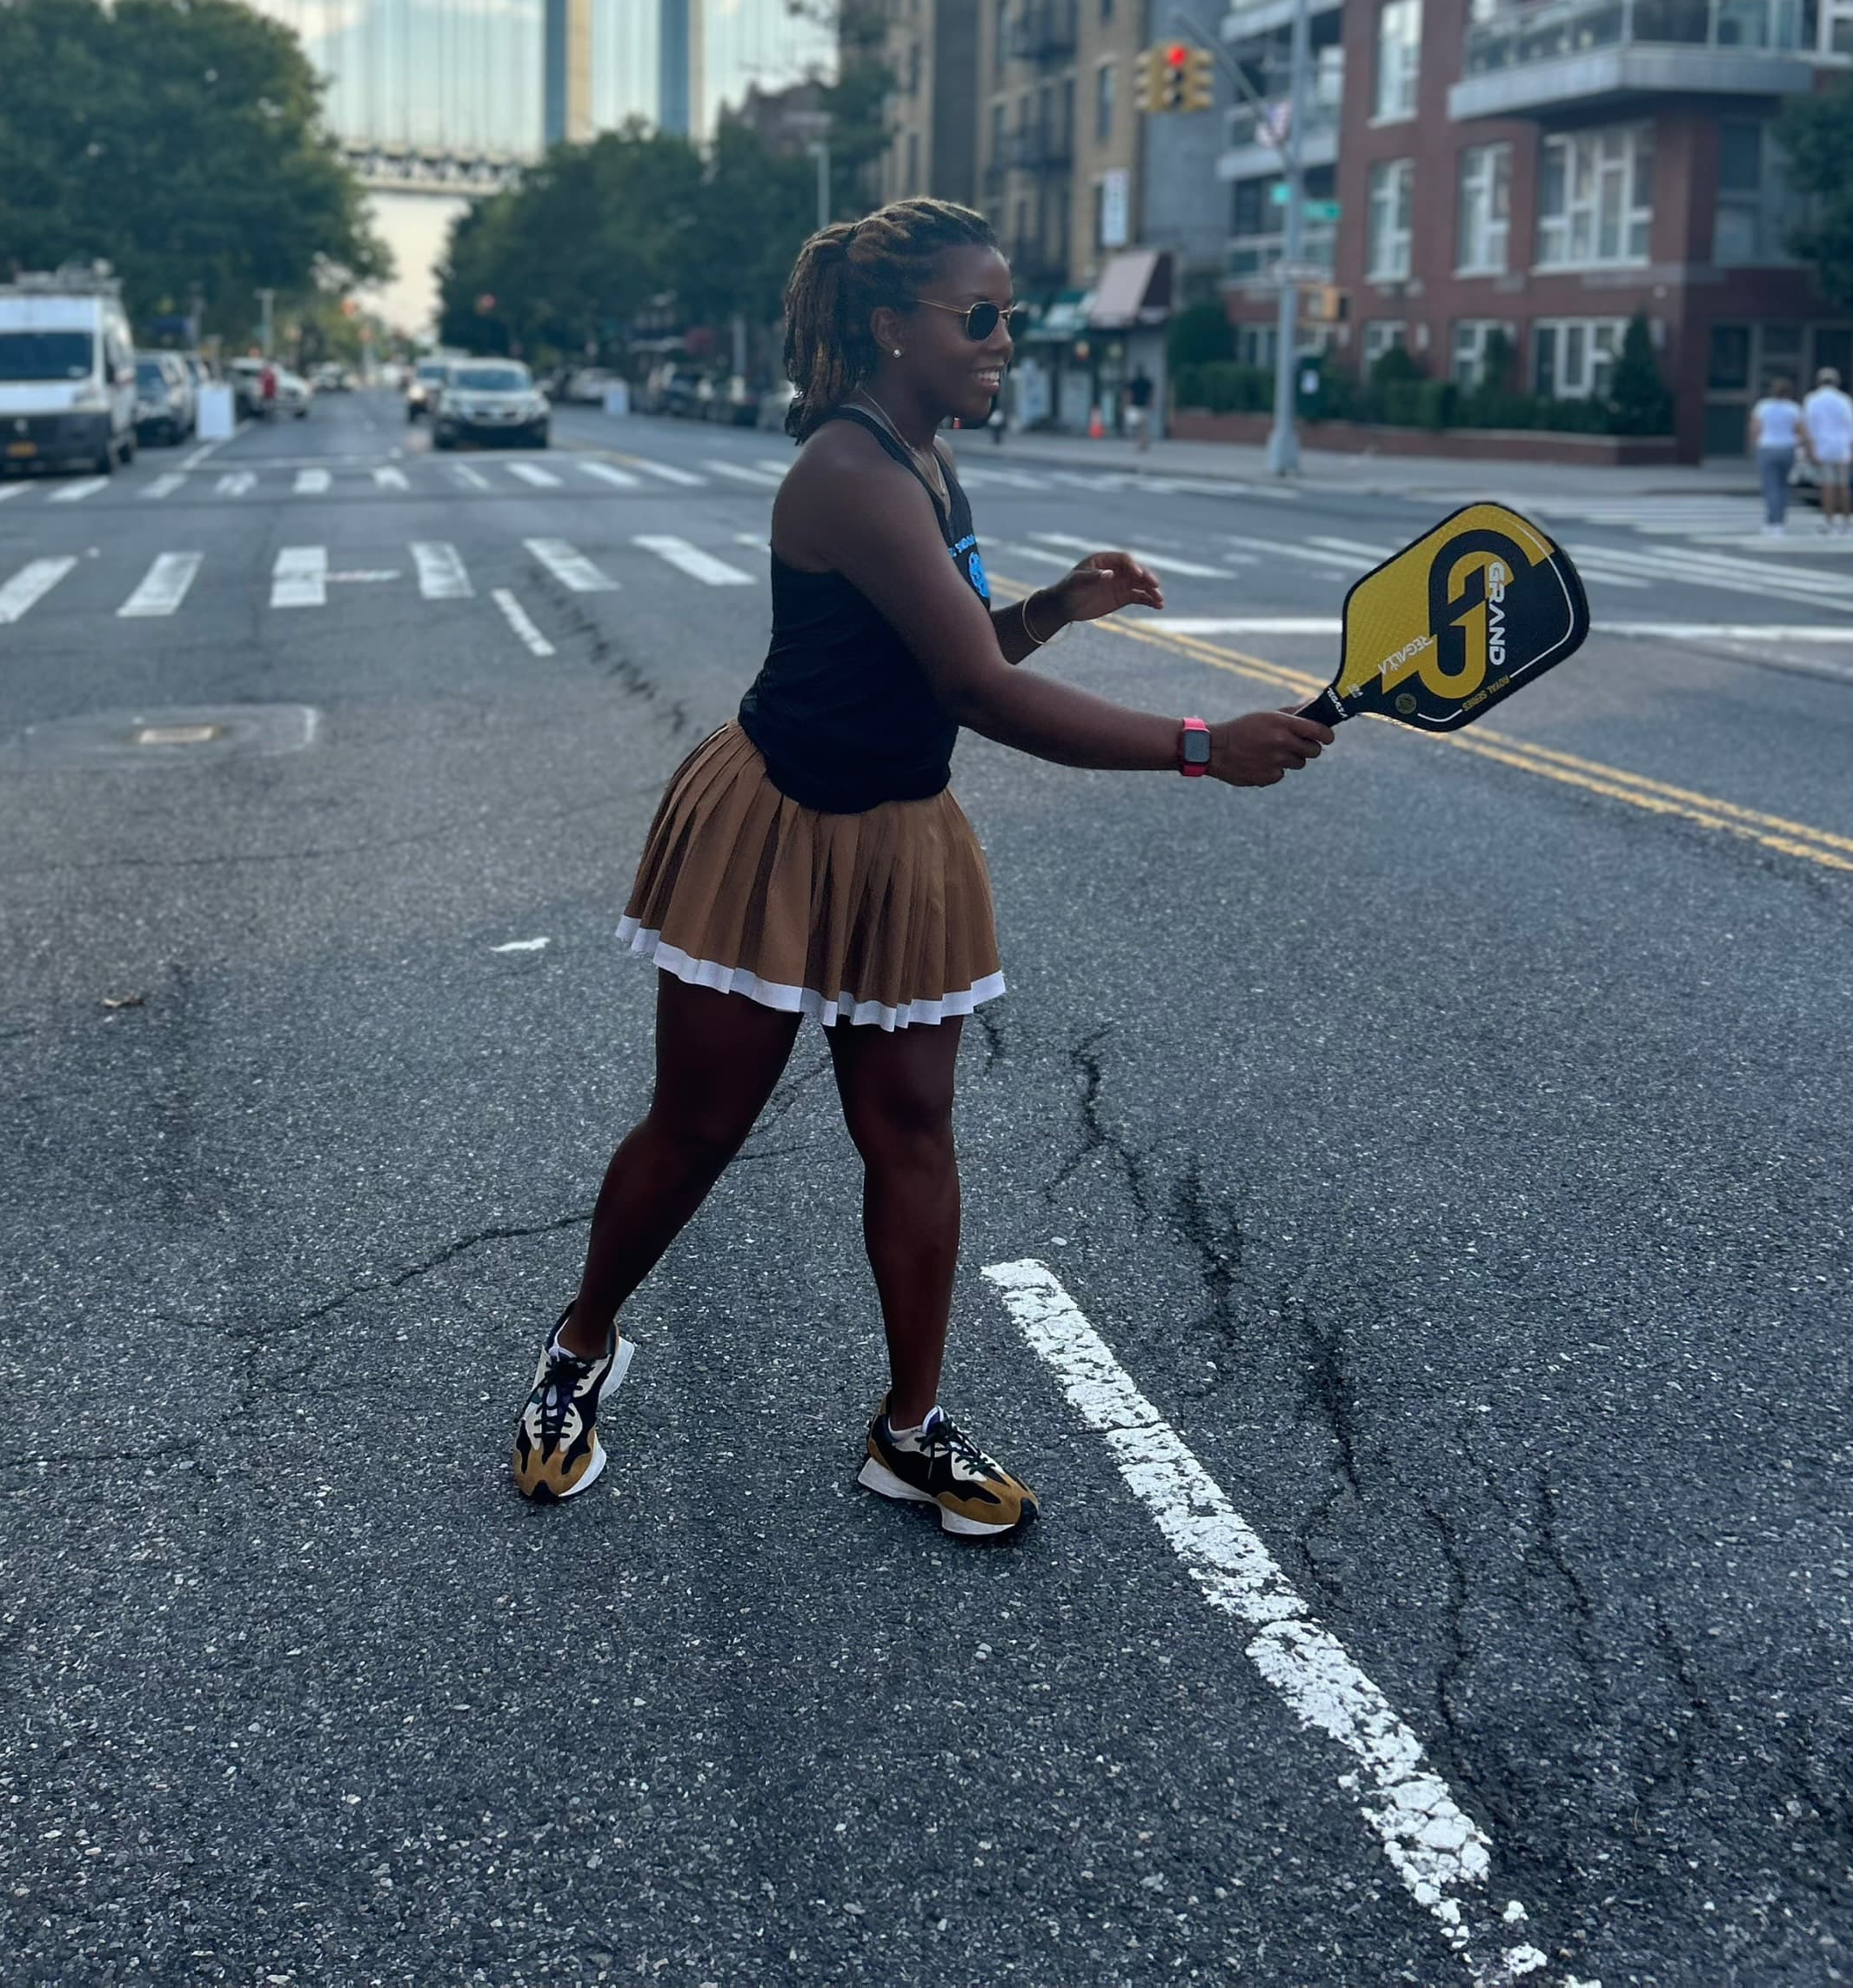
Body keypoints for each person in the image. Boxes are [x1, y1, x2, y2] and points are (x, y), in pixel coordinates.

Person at [512, 198, 1334, 1540]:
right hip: (776, 824)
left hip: (900, 830)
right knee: (700, 1126)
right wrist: (1201, 746)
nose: (1007, 339)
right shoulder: (848, 472)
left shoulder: (929, 455)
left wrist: (1059, 606)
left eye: (1010, 312)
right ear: (892, 326)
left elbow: (954, 651)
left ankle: (909, 1430)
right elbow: (972, 689)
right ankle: (579, 1347)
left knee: (909, 1130)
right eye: (983, 316)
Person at [1801, 366, 1853, 537]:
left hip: (1822, 447)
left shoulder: (1812, 399)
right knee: (1844, 486)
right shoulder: (1845, 400)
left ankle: (1829, 521)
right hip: (1842, 447)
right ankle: (1847, 523)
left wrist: (1808, 449)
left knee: (1827, 486)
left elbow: (1808, 426)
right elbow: (1852, 426)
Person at [1749, 375, 1802, 538]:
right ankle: (1780, 520)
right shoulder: (1794, 408)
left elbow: (1755, 428)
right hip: (1787, 447)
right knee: (1783, 485)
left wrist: (1755, 446)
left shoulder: (1762, 406)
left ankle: (1772, 521)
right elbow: (1800, 430)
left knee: (1770, 486)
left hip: (1767, 447)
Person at [1127, 365, 1155, 454]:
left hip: (1135, 407)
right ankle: (1143, 443)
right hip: (1143, 406)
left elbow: (1129, 394)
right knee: (1143, 426)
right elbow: (1151, 394)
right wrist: (1151, 403)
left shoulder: (1133, 382)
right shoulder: (1146, 382)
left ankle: (1141, 444)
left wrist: (1127, 404)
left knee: (1138, 427)